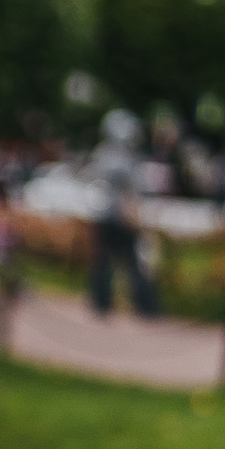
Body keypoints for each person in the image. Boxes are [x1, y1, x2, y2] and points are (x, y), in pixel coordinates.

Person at [86, 113, 160, 317]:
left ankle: (101, 302)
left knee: (103, 261)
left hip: (104, 216)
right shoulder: (127, 159)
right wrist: (134, 216)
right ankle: (145, 306)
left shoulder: (101, 154)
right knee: (131, 264)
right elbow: (131, 191)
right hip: (120, 218)